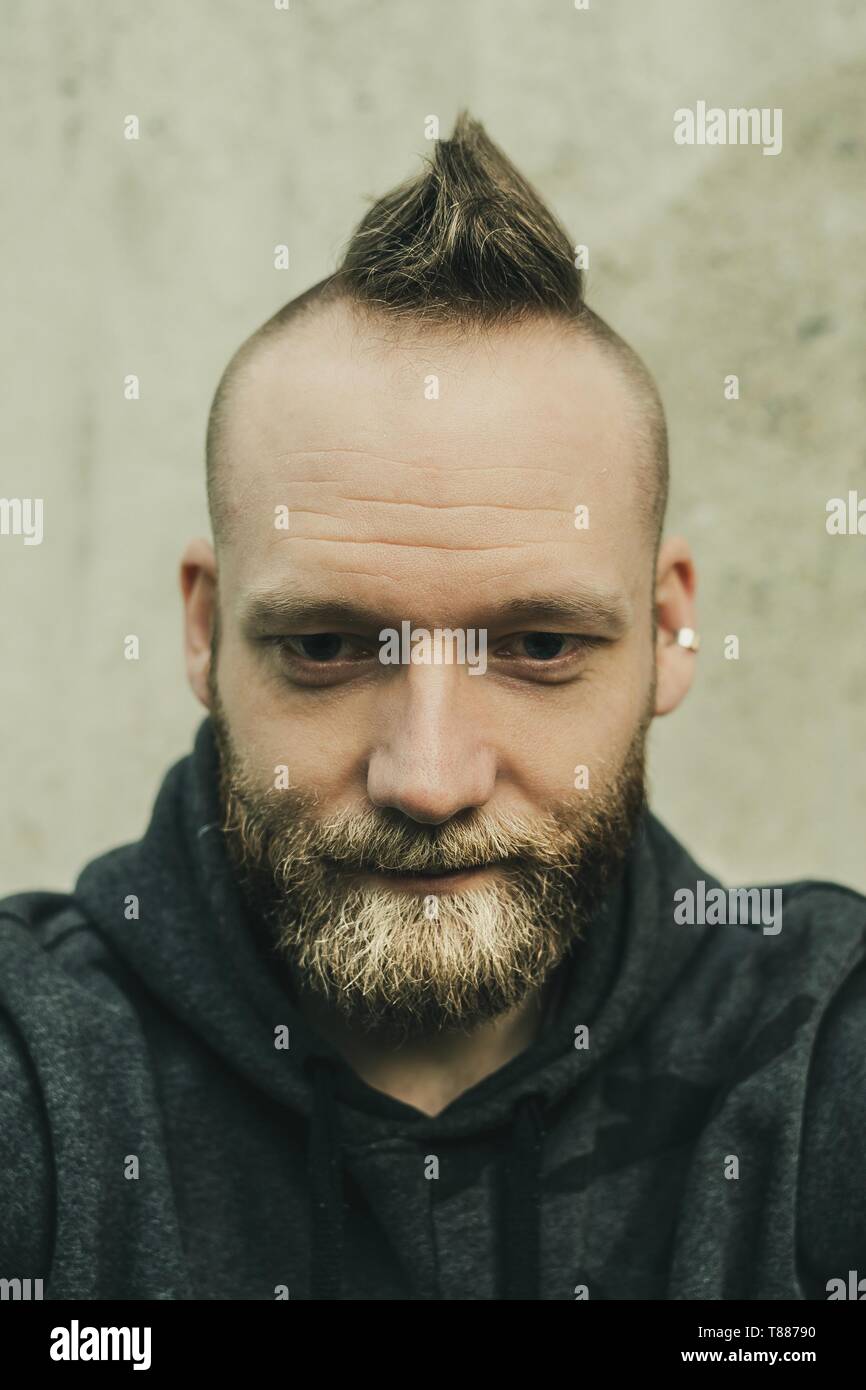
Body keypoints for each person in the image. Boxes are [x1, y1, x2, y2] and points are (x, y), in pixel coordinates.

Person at [1, 113, 863, 1302]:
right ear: (201, 630)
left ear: (669, 632)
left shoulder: (823, 1060)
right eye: (324, 645)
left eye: (540, 644)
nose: (428, 776)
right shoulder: (35, 1077)